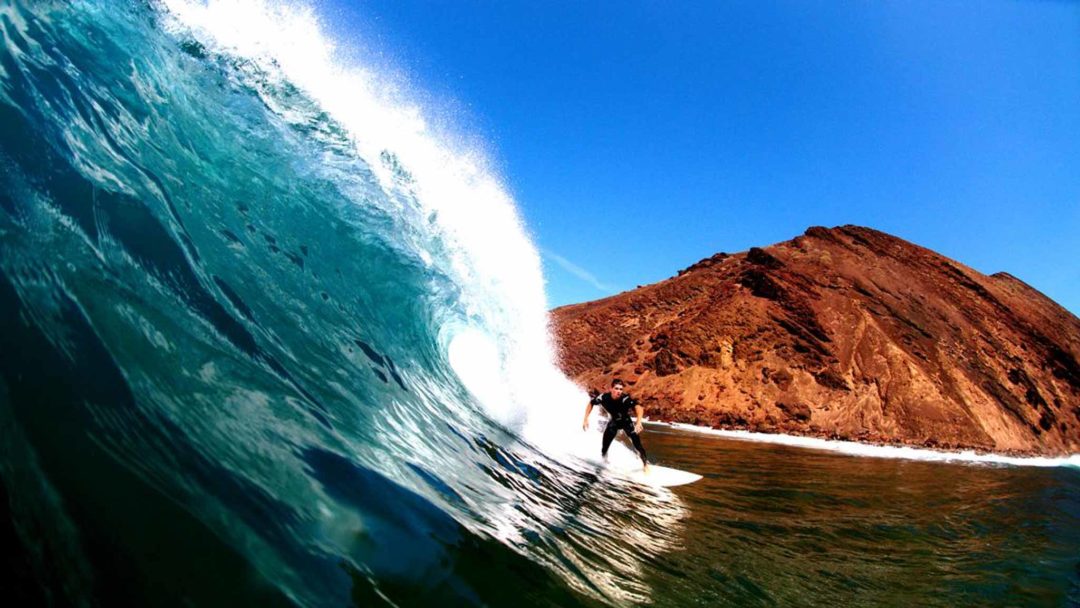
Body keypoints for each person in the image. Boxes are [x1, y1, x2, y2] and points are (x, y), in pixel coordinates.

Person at [582, 379, 649, 472]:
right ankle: (604, 462)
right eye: (616, 388)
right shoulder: (603, 398)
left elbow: (638, 407)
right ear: (611, 389)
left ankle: (645, 465)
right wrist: (585, 418)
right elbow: (591, 403)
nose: (619, 391)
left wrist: (638, 422)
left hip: (626, 423)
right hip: (613, 423)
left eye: (621, 389)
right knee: (604, 447)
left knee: (637, 445)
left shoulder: (625, 399)